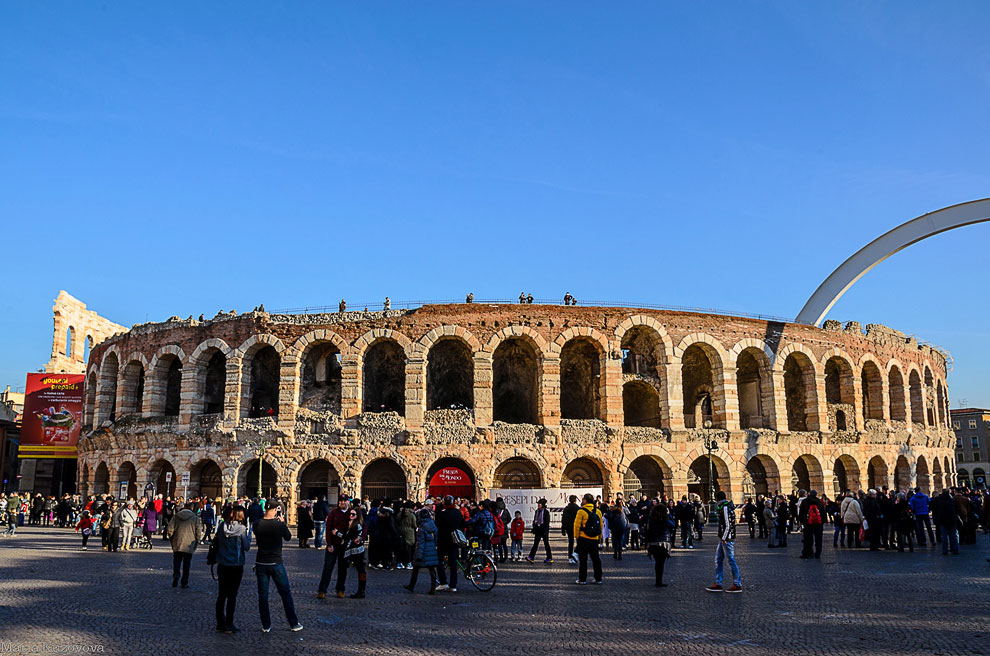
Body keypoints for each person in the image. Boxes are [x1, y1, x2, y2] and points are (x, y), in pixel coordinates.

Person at [253, 500, 303, 633]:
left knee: (263, 595)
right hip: (276, 563)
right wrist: (282, 523)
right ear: (276, 510)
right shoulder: (278, 525)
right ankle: (293, 623)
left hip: (261, 563)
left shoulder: (256, 524)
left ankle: (266, 625)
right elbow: (288, 537)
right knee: (285, 593)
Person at [215, 505, 250, 633]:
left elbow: (217, 542)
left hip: (222, 564)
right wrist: (248, 534)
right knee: (232, 595)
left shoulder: (221, 527)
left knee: (221, 594)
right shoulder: (241, 529)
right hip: (236, 565)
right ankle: (229, 623)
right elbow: (246, 547)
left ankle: (220, 623)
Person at [706, 491, 742, 593]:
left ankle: (737, 584)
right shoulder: (724, 507)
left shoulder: (725, 508)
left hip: (726, 538)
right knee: (718, 559)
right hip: (724, 537)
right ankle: (718, 583)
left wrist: (724, 538)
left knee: (731, 560)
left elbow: (728, 524)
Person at [317, 496, 352, 599]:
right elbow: (328, 530)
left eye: (344, 501)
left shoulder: (351, 513)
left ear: (347, 502)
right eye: (340, 501)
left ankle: (340, 589)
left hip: (344, 546)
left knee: (343, 568)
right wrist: (329, 544)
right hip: (333, 545)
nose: (342, 503)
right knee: (328, 567)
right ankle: (322, 590)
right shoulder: (333, 513)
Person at [404, 508, 440, 594]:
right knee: (432, 570)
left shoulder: (421, 527)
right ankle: (432, 588)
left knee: (416, 569)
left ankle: (411, 586)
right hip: (431, 549)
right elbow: (436, 537)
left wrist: (418, 555)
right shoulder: (433, 524)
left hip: (423, 551)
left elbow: (420, 542)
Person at [435, 495, 465, 592]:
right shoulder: (457, 512)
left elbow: (437, 525)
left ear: (444, 503)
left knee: (439, 561)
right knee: (453, 562)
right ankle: (453, 585)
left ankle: (443, 582)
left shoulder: (441, 513)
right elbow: (462, 524)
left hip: (443, 540)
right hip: (454, 540)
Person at [168, 502, 203, 588]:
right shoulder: (195, 518)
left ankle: (176, 575)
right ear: (191, 508)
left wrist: (172, 539)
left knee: (177, 561)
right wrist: (197, 540)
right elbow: (198, 531)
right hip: (189, 543)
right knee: (186, 564)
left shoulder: (176, 516)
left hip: (178, 542)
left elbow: (170, 529)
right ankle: (184, 581)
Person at [573, 493, 603, 585]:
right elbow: (600, 526)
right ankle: (598, 578)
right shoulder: (598, 511)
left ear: (585, 500)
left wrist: (576, 536)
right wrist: (599, 537)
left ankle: (582, 579)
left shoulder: (581, 511)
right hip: (594, 538)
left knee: (583, 560)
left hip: (584, 538)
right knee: (596, 559)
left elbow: (577, 525)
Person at [339, 507, 368, 598]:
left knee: (360, 570)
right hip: (350, 550)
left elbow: (348, 536)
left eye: (353, 514)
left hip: (357, 551)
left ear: (357, 515)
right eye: (350, 514)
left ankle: (361, 591)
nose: (351, 516)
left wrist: (337, 533)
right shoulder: (350, 523)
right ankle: (342, 588)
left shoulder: (357, 525)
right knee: (345, 568)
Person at [644, 502, 673, 586]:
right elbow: (673, 525)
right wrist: (669, 515)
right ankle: (659, 581)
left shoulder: (652, 520)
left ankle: (658, 580)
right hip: (663, 543)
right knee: (661, 562)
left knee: (657, 562)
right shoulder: (665, 520)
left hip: (653, 543)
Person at [799, 490, 825, 559]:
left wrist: (802, 521)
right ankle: (818, 554)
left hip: (808, 524)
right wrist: (822, 522)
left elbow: (801, 513)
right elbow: (823, 514)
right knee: (818, 540)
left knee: (807, 539)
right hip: (818, 524)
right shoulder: (819, 502)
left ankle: (807, 553)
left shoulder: (805, 502)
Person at [931, 489, 959, 556]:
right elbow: (957, 509)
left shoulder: (938, 500)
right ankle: (954, 549)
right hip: (952, 519)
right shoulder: (952, 499)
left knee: (944, 536)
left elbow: (932, 506)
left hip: (942, 519)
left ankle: (945, 550)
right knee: (953, 535)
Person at [525, 498, 553, 563]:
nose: (538, 505)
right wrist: (534, 528)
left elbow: (547, 522)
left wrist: (545, 530)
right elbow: (535, 520)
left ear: (542, 505)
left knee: (546, 544)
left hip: (544, 531)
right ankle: (531, 557)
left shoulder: (546, 512)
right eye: (538, 504)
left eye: (539, 504)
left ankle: (549, 558)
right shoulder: (537, 511)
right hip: (538, 530)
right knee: (535, 544)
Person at [397, 502, 417, 569]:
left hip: (401, 531)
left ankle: (400, 563)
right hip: (409, 532)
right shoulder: (411, 515)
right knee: (409, 548)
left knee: (401, 548)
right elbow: (414, 525)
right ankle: (408, 563)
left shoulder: (400, 514)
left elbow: (396, 521)